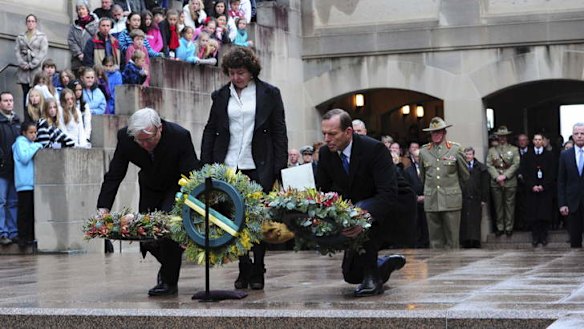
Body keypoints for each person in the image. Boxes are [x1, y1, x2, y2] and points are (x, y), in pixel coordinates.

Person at [201, 46, 288, 291]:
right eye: (232, 73)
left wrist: (279, 168)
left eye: (240, 72)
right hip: (228, 164)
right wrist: (205, 165)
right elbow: (210, 130)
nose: (236, 77)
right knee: (233, 218)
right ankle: (243, 265)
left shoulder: (269, 93)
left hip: (258, 164)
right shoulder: (220, 96)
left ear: (251, 71)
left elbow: (279, 132)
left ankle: (258, 266)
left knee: (257, 218)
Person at [97, 108, 200, 296]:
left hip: (176, 185)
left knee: (168, 230)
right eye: (140, 140)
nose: (144, 144)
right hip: (150, 185)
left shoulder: (180, 136)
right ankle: (169, 265)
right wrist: (103, 208)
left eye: (149, 139)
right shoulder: (126, 138)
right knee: (146, 236)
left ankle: (169, 282)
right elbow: (114, 174)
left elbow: (192, 173)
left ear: (159, 129)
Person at [316, 108, 406, 297]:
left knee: (362, 210)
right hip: (351, 214)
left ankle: (373, 278)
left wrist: (361, 216)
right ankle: (383, 265)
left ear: (348, 132)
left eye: (332, 134)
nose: (326, 139)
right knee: (351, 275)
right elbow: (322, 190)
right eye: (324, 133)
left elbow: (387, 193)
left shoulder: (374, 149)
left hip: (383, 212)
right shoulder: (325, 154)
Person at [418, 117, 469, 249]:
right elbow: (423, 177)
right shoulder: (424, 151)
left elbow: (465, 175)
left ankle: (453, 265)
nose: (436, 135)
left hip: (451, 199)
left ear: (445, 133)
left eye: (439, 132)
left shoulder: (455, 149)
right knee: (435, 240)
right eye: (433, 132)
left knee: (452, 240)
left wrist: (455, 190)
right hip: (432, 199)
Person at [12, 121, 44, 248]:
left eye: (35, 132)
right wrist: (37, 146)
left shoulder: (30, 144)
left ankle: (29, 237)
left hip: (31, 184)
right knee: (24, 212)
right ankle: (23, 238)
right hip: (24, 184)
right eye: (31, 132)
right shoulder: (20, 143)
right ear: (24, 132)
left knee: (30, 212)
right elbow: (24, 158)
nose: (34, 135)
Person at [521, 133, 555, 247]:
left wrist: (543, 186)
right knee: (533, 215)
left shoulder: (549, 155)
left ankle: (544, 237)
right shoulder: (527, 155)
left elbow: (552, 173)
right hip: (532, 190)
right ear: (533, 141)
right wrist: (532, 186)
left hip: (545, 190)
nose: (538, 142)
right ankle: (535, 237)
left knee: (544, 214)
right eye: (536, 140)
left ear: (543, 141)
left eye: (540, 139)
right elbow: (524, 173)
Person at [487, 126, 520, 237]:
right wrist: (497, 177)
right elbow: (489, 164)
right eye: (500, 136)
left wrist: (505, 176)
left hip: (509, 181)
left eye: (504, 136)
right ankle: (500, 227)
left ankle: (509, 227)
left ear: (507, 137)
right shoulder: (492, 150)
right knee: (498, 206)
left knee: (509, 205)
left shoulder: (514, 149)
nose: (502, 139)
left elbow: (516, 164)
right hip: (496, 181)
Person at [558, 123, 584, 248]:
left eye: (582, 133)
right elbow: (561, 181)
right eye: (576, 134)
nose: (579, 136)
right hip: (573, 202)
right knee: (575, 240)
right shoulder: (565, 155)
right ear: (572, 136)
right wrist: (562, 203)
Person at [0, 92, 20, 246]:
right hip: (2, 169)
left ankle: (13, 232)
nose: (9, 103)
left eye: (11, 100)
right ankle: (2, 232)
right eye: (5, 101)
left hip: (16, 169)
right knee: (1, 201)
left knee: (13, 201)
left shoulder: (17, 121)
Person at [15, 14, 48, 109]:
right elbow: (17, 51)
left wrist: (32, 64)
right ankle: (26, 119)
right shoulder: (20, 37)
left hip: (36, 70)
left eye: (32, 21)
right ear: (26, 23)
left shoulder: (42, 36)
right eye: (28, 21)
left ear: (36, 23)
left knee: (36, 95)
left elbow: (43, 52)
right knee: (26, 95)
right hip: (23, 71)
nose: (30, 23)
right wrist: (22, 63)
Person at [460, 146, 489, 248]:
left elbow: (485, 184)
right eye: (466, 154)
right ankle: (466, 241)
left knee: (476, 220)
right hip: (464, 197)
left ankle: (476, 241)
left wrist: (483, 199)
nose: (468, 156)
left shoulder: (480, 167)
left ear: (473, 155)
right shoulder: (461, 167)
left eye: (470, 154)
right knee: (465, 221)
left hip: (476, 198)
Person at [403, 147, 429, 248]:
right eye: (416, 157)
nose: (418, 158)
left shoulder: (429, 169)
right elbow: (407, 186)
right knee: (416, 224)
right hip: (415, 202)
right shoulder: (408, 171)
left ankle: (426, 242)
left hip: (428, 200)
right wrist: (416, 197)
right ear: (413, 157)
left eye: (420, 156)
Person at [67, 1, 99, 72]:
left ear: (87, 10)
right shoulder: (74, 26)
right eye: (79, 9)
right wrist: (79, 53)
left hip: (91, 59)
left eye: (83, 9)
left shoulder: (96, 24)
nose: (81, 11)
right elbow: (71, 41)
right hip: (77, 60)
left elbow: (97, 39)